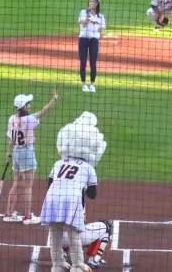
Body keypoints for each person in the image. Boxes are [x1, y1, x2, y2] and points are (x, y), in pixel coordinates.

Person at [40, 111, 107, 272]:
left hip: (52, 198)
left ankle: (57, 264)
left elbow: (49, 185)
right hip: (72, 200)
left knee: (55, 232)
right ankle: (77, 265)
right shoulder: (88, 167)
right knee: (74, 234)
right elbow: (92, 194)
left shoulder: (58, 163)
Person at [3, 87, 59, 225]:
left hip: (16, 152)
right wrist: (54, 100)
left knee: (16, 183)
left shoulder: (12, 119)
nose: (30, 105)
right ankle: (28, 216)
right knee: (28, 186)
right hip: (26, 153)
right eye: (28, 103)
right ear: (24, 106)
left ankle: (9, 213)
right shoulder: (29, 120)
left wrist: (8, 153)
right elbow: (43, 112)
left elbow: (10, 138)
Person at [78, 0, 106, 93]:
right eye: (90, 1)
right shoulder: (83, 12)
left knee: (93, 63)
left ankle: (92, 84)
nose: (91, 3)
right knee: (83, 61)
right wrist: (87, 18)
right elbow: (83, 25)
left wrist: (99, 34)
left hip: (94, 41)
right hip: (83, 39)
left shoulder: (101, 16)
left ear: (97, 4)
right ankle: (83, 84)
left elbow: (101, 30)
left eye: (93, 2)